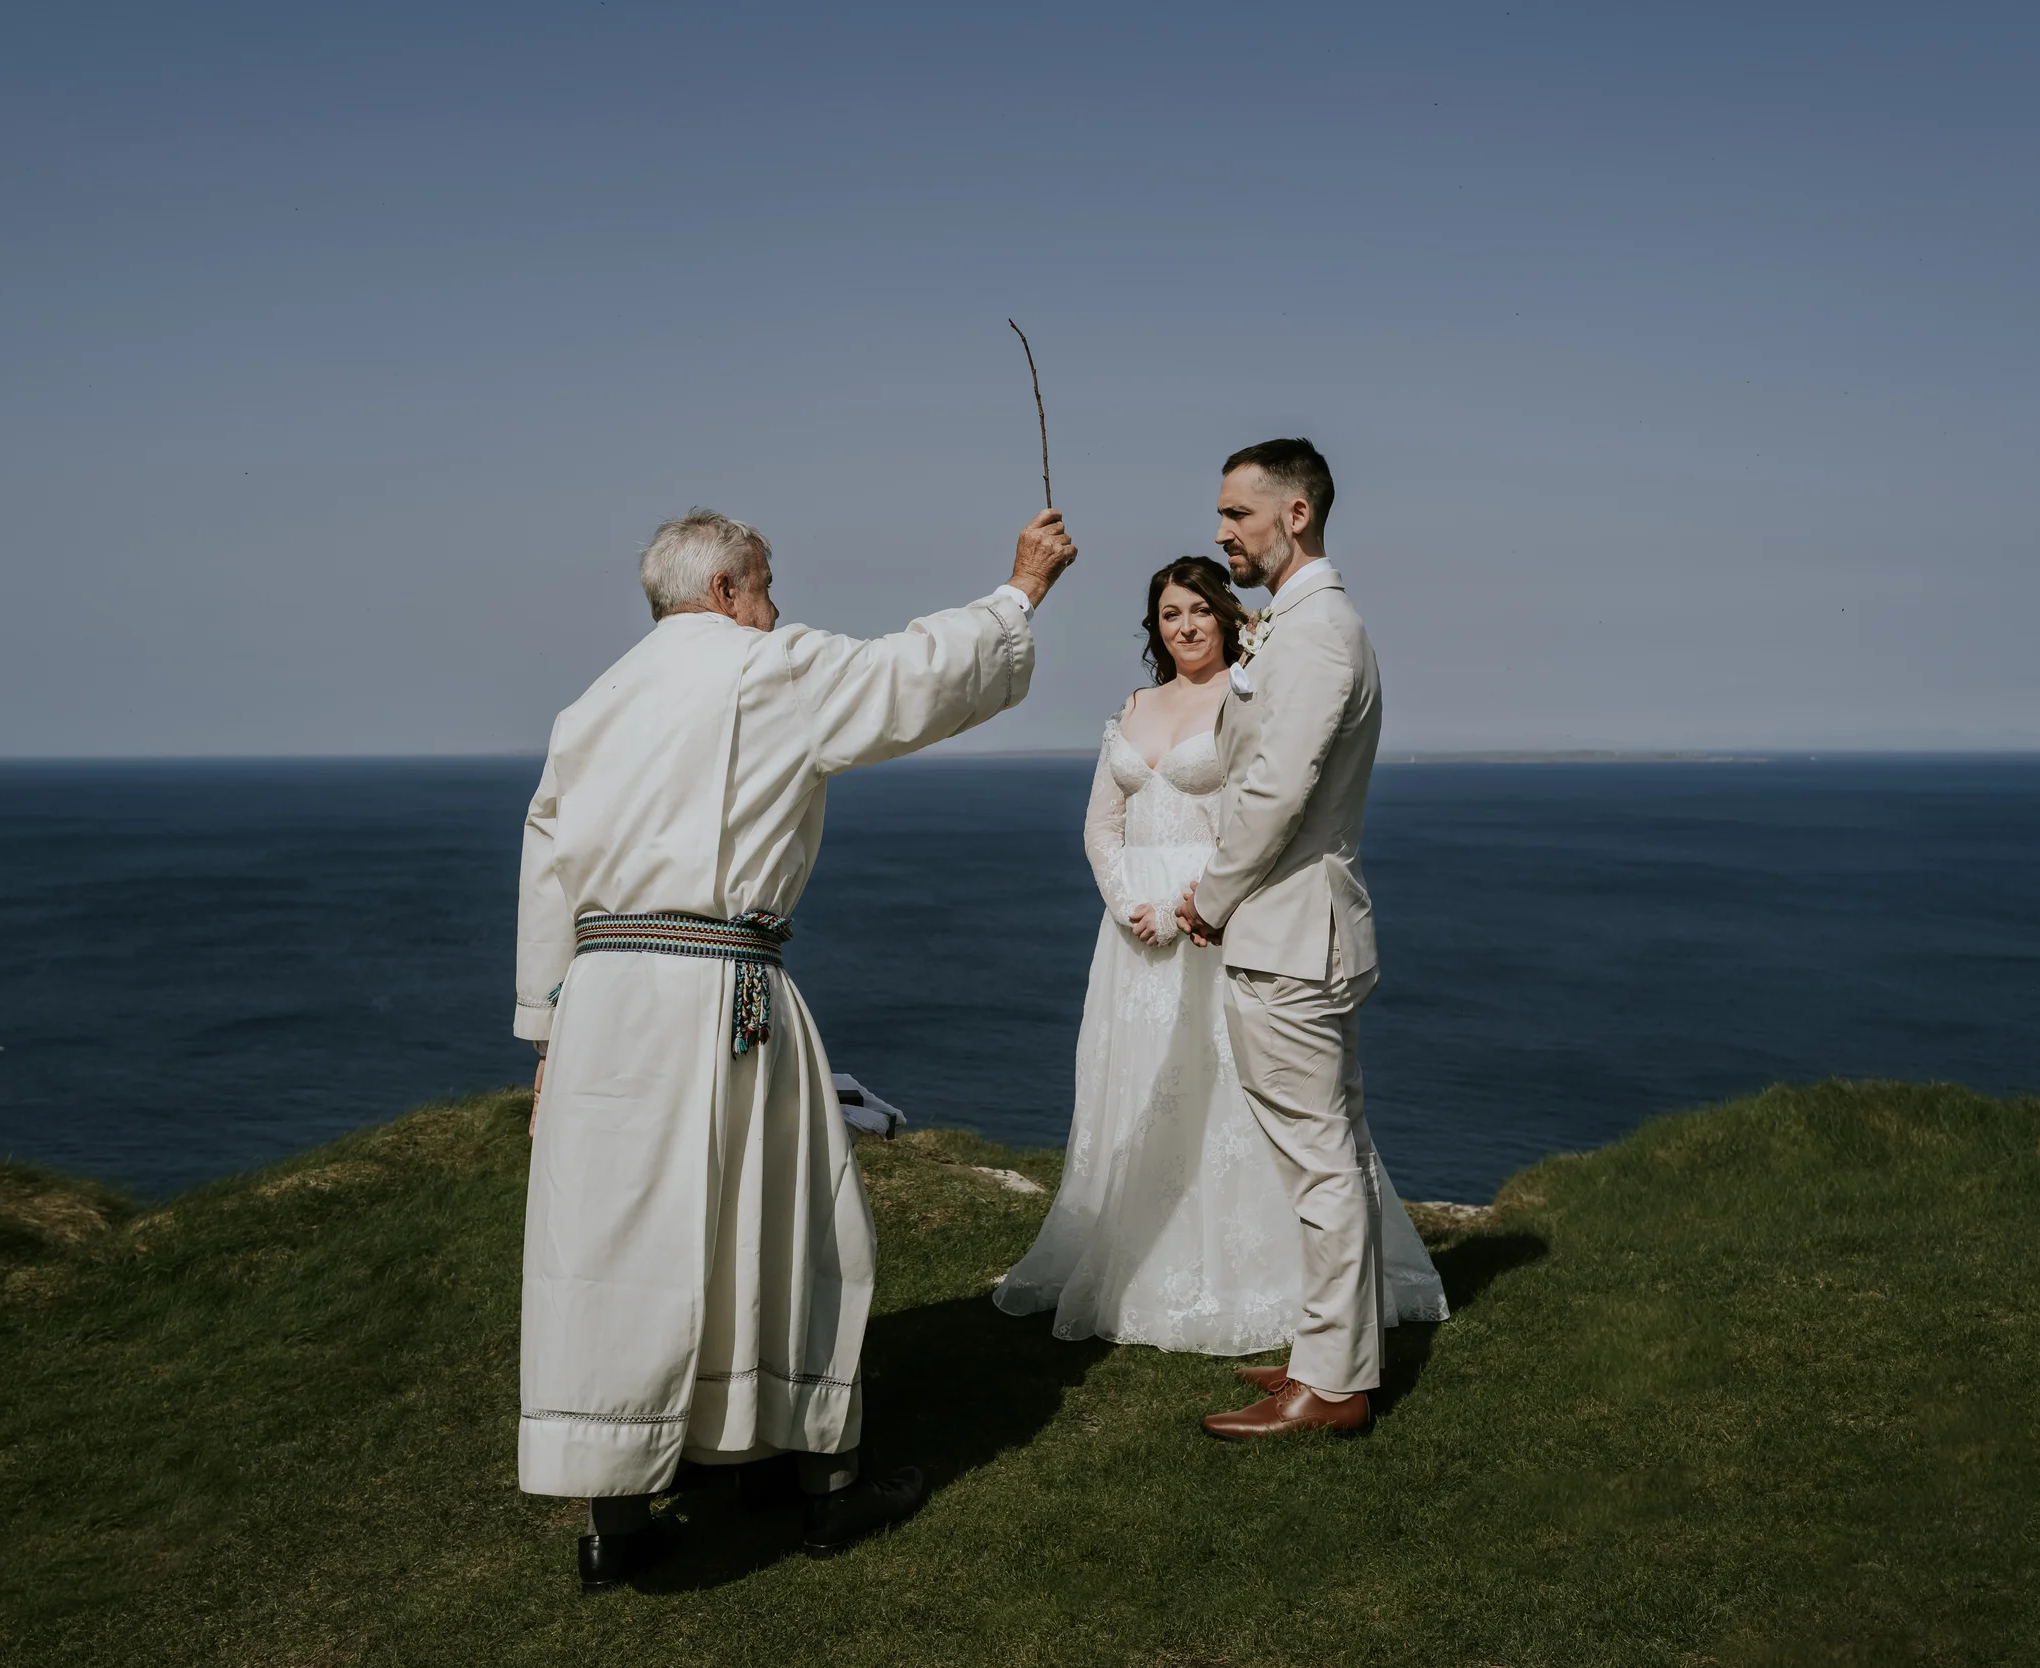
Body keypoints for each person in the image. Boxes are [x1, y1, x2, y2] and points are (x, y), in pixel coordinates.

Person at [515, 505, 1077, 1588]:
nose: (776, 605)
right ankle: (823, 1483)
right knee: (787, 1223)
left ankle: (618, 1523)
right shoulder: (763, 667)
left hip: (599, 1003)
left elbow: (547, 866)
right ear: (724, 591)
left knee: (612, 1248)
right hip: (721, 989)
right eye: (766, 583)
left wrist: (547, 1034)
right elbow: (914, 676)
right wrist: (1021, 589)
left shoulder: (590, 705)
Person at [993, 558, 1444, 1356]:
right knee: (1138, 1091)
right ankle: (1133, 1258)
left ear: (1228, 617)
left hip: (1216, 920)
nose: (1186, 627)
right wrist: (1126, 902)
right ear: (1154, 628)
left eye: (1200, 610)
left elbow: (1256, 822)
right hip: (1132, 935)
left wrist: (1186, 906)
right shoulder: (1133, 707)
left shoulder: (1248, 695)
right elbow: (1102, 825)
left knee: (1232, 1092)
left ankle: (1267, 1280)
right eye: (1170, 615)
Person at [1175, 438, 1399, 1441]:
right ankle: (1328, 1357)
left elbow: (1273, 793)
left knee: (1319, 1164)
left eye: (1236, 514)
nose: (1221, 531)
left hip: (1286, 932)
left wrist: (1209, 899)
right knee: (1328, 1153)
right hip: (1298, 928)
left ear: (1295, 513)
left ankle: (1336, 1387)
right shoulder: (1296, 627)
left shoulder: (1315, 633)